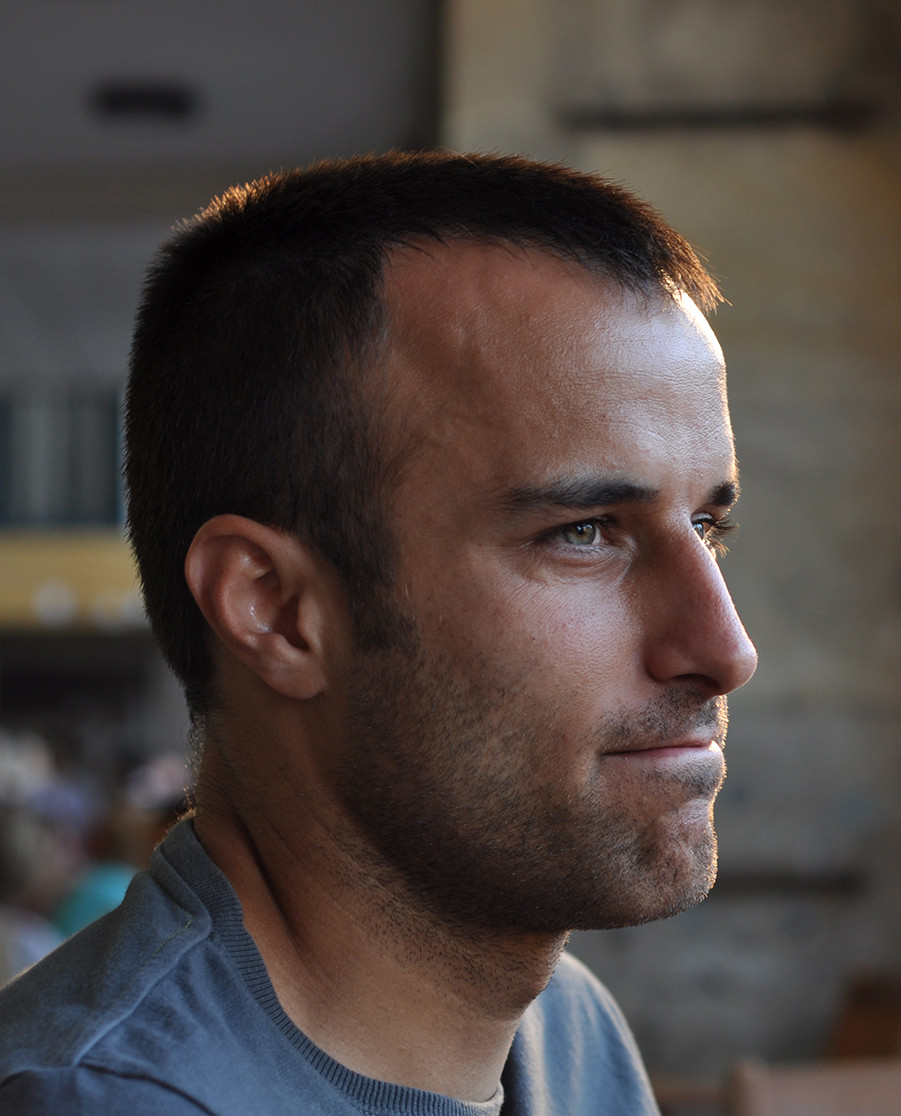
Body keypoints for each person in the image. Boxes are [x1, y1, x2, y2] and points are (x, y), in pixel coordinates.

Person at [0, 151, 757, 1114]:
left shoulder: (567, 1034)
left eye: (708, 526)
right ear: (277, 610)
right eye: (584, 533)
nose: (726, 649)